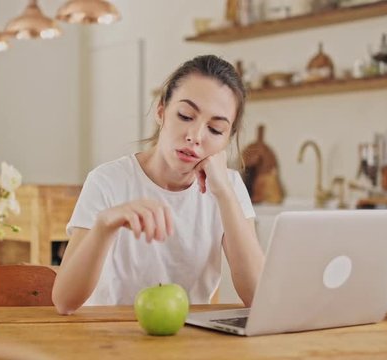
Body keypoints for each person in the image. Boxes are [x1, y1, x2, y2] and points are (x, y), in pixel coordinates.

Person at [52, 55, 264, 315]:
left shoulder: (228, 188)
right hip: (108, 340)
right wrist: (104, 226)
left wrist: (224, 194)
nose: (194, 137)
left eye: (216, 129)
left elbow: (258, 297)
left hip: (190, 342)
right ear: (161, 111)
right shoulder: (107, 181)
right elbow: (64, 301)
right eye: (186, 116)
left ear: (226, 140)